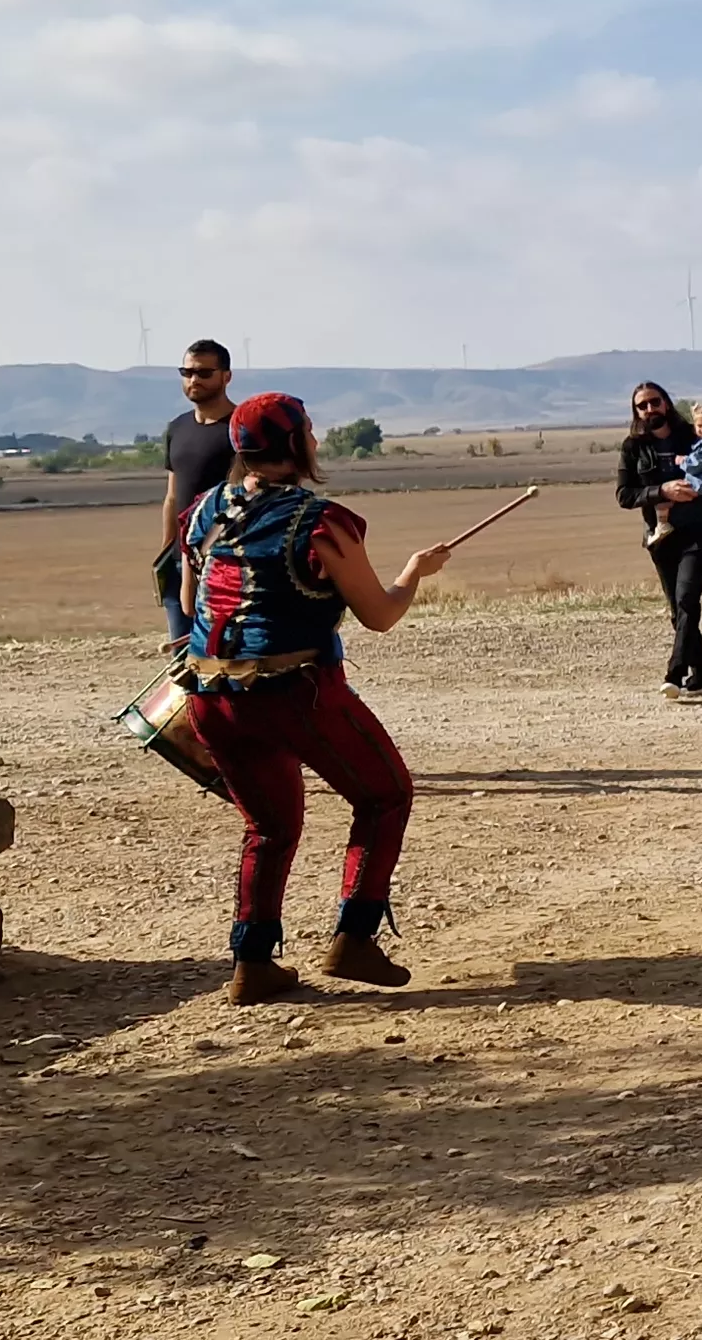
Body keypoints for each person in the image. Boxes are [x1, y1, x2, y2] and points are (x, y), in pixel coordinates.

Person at [171, 393, 444, 1005]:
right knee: (385, 795)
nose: (316, 443)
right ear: (296, 445)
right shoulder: (322, 523)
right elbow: (378, 615)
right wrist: (412, 574)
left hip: (211, 694)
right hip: (293, 691)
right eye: (311, 433)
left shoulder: (202, 512)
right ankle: (353, 937)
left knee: (268, 826)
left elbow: (191, 606)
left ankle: (252, 963)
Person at [616, 383, 702, 697]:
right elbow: (624, 495)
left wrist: (701, 487)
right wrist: (662, 491)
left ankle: (675, 673)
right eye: (642, 406)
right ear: (636, 412)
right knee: (678, 608)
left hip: (699, 527)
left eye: (655, 402)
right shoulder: (633, 446)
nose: (650, 409)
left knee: (688, 598)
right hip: (660, 534)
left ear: (666, 403)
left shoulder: (696, 435)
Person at [157, 339, 238, 639]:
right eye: (187, 372)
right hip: (180, 562)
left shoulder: (241, 429)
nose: (194, 380)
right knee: (182, 658)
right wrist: (168, 552)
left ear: (226, 376)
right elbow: (173, 496)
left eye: (204, 373)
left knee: (224, 654)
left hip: (226, 560)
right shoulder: (177, 428)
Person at [646, 401, 702, 548]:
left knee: (668, 492)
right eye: (700, 426)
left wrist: (682, 461)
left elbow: (695, 465)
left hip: (701, 484)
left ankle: (662, 523)